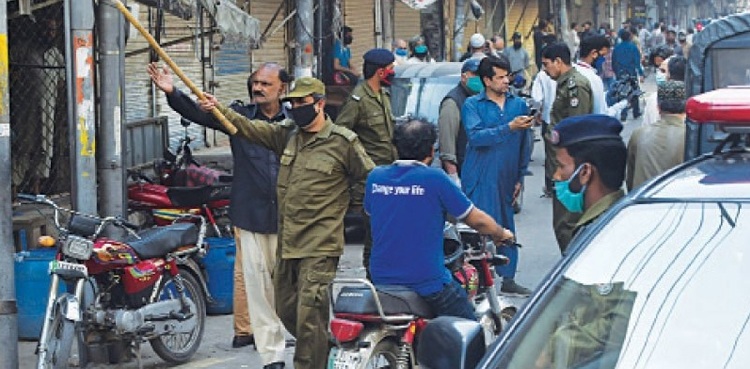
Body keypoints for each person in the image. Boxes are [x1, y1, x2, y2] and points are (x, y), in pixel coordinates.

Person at [200, 77, 375, 369]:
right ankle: (322, 344)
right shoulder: (288, 134)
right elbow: (250, 129)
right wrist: (219, 110)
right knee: (285, 309)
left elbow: (369, 178)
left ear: (319, 103)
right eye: (292, 103)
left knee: (309, 313)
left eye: (301, 103)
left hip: (320, 244)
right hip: (289, 241)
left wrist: (352, 204)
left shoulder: (343, 142)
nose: (295, 108)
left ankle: (309, 363)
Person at [147, 62, 291, 366]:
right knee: (256, 284)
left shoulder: (294, 121)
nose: (258, 88)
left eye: (266, 84)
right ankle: (272, 356)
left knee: (288, 285)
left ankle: (293, 337)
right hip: (250, 214)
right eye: (256, 83)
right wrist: (173, 92)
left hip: (290, 215)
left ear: (283, 88)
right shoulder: (237, 117)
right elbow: (200, 114)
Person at [366, 118, 515, 319]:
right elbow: (476, 220)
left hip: (380, 279)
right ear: (431, 150)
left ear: (396, 147)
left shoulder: (376, 177)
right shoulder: (435, 179)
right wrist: (500, 233)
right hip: (426, 281)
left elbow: (374, 213)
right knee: (468, 328)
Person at [461, 55, 533, 296]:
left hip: (507, 175)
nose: (506, 82)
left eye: (507, 77)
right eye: (500, 77)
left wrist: (520, 177)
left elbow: (525, 143)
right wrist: (508, 127)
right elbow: (476, 137)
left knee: (506, 224)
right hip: (481, 175)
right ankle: (478, 278)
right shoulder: (473, 105)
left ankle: (509, 277)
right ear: (486, 80)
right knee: (480, 227)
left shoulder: (518, 104)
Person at [335, 48, 397, 279]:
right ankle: (374, 279)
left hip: (389, 174)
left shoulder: (383, 95)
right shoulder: (357, 100)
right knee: (374, 234)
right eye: (391, 69)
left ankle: (384, 276)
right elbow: (341, 135)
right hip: (368, 180)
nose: (393, 73)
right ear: (381, 72)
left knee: (387, 233)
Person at [541, 42, 593, 253]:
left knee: (567, 224)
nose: (544, 70)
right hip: (561, 164)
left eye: (546, 64)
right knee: (561, 222)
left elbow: (576, 130)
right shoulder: (563, 84)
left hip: (570, 167)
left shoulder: (575, 86)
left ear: (558, 62)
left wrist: (567, 170)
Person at [550, 114, 626, 241]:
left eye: (561, 166)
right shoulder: (621, 216)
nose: (556, 176)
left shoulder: (598, 234)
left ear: (585, 172)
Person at [626, 80, 686, 191]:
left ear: (658, 107)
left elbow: (630, 178)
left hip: (643, 204)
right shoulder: (690, 138)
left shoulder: (639, 135)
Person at [438, 58, 483, 185]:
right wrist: (454, 178)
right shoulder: (452, 103)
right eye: (475, 75)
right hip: (463, 173)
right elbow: (447, 146)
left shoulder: (480, 98)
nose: (479, 79)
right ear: (464, 77)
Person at [642, 54, 684, 126]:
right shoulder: (652, 99)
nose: (659, 74)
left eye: (663, 71)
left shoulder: (654, 99)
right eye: (659, 70)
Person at [612, 30, 644, 120]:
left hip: (620, 73)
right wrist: (641, 74)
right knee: (634, 92)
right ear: (630, 37)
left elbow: (613, 62)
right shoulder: (633, 47)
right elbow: (637, 62)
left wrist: (616, 72)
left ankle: (623, 113)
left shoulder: (616, 48)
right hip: (631, 72)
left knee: (622, 93)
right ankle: (636, 112)